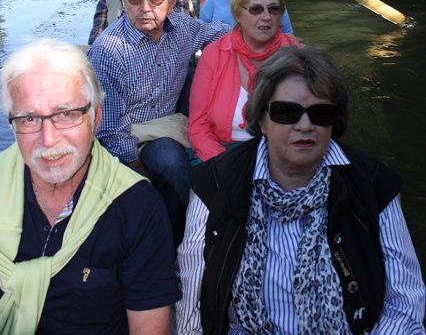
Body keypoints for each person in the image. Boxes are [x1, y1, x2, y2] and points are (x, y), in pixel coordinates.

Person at [176, 46, 426, 335]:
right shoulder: (216, 183)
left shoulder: (372, 185)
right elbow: (192, 300)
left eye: (321, 113)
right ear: (262, 119)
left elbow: (404, 304)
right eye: (287, 112)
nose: (305, 125)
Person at [0, 39, 178, 335]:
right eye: (29, 118)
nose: (49, 140)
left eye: (66, 114)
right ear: (12, 125)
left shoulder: (138, 209)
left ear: (95, 118)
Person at [87, 0, 231, 247]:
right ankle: (172, 246)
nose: (144, 8)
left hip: (168, 120)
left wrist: (273, 39)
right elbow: (110, 129)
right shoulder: (108, 50)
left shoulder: (184, 28)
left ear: (171, 2)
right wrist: (138, 172)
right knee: (169, 162)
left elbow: (220, 32)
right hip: (130, 134)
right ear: (125, 2)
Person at [188, 0, 302, 162]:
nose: (266, 17)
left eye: (274, 9)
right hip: (224, 153)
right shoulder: (214, 55)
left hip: (283, 156)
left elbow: (313, 123)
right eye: (256, 9)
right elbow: (198, 126)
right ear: (237, 15)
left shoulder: (298, 56)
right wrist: (226, 165)